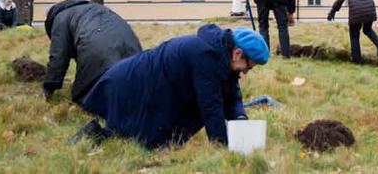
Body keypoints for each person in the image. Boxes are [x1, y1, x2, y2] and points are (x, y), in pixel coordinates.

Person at [75, 25, 268, 149]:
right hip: (131, 85)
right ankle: (89, 136)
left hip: (149, 83)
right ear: (238, 54)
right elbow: (210, 107)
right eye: (249, 67)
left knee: (151, 141)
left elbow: (231, 93)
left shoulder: (222, 55)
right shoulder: (206, 57)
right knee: (135, 137)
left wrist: (240, 118)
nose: (246, 72)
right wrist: (223, 149)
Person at [42, 0, 143, 106]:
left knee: (87, 98)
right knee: (129, 91)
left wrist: (48, 87)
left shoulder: (60, 18)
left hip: (101, 54)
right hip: (135, 55)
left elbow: (58, 56)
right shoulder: (95, 9)